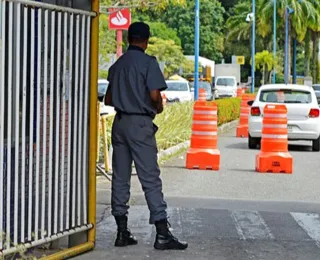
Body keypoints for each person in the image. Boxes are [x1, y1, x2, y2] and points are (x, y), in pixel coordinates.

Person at [104, 21, 188, 251]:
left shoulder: (118, 65)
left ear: (130, 38)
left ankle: (121, 232)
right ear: (146, 40)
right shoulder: (149, 63)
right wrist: (157, 106)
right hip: (140, 124)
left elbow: (108, 100)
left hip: (119, 124)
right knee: (150, 178)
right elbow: (154, 95)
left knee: (120, 178)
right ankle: (162, 233)